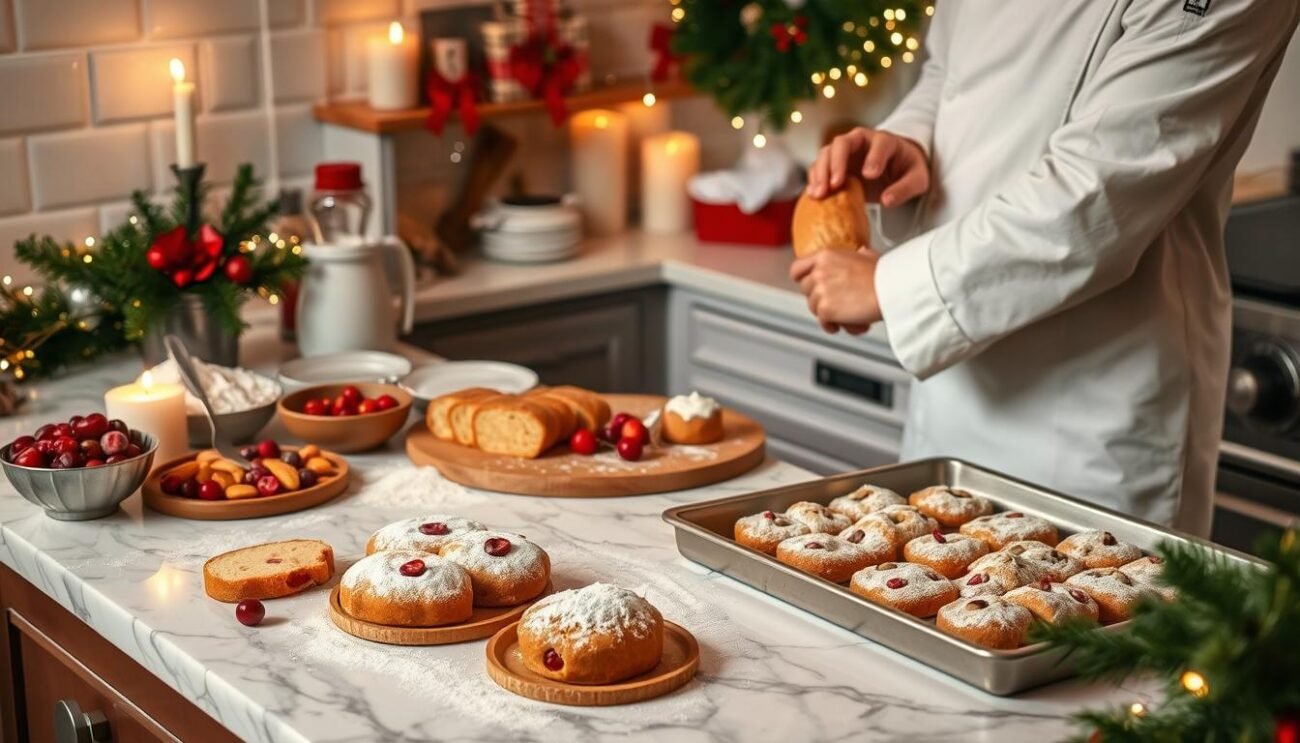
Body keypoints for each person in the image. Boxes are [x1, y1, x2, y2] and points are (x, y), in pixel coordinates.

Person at [791, 0, 1299, 536]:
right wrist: (911, 141)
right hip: (955, 387)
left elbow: (1099, 191)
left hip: (1092, 414)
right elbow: (947, 70)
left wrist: (889, 284)